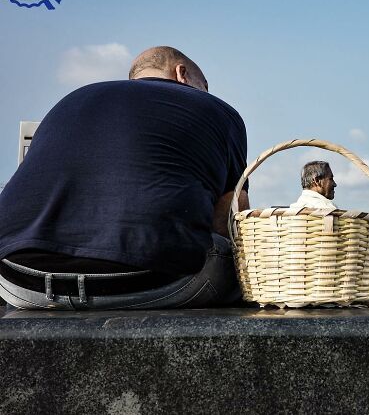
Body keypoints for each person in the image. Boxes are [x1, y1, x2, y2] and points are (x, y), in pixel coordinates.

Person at [0, 46, 249, 310]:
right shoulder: (217, 109)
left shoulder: (72, 99)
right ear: (182, 74)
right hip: (151, 282)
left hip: (18, 279)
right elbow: (233, 204)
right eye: (204, 86)